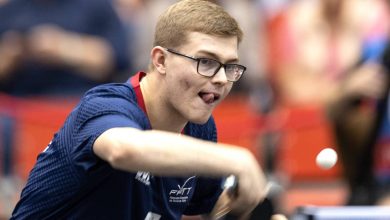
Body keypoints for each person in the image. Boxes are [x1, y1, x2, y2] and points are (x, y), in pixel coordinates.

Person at [10, 0, 270, 219]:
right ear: (161, 60)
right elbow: (124, 150)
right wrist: (238, 161)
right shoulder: (105, 106)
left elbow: (215, 207)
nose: (223, 79)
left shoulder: (198, 127)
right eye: (206, 61)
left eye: (230, 66)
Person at [0, 0, 130, 97]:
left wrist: (63, 47)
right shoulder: (11, 11)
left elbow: (114, 60)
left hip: (81, 100)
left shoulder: (95, 6)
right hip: (22, 105)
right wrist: (11, 54)